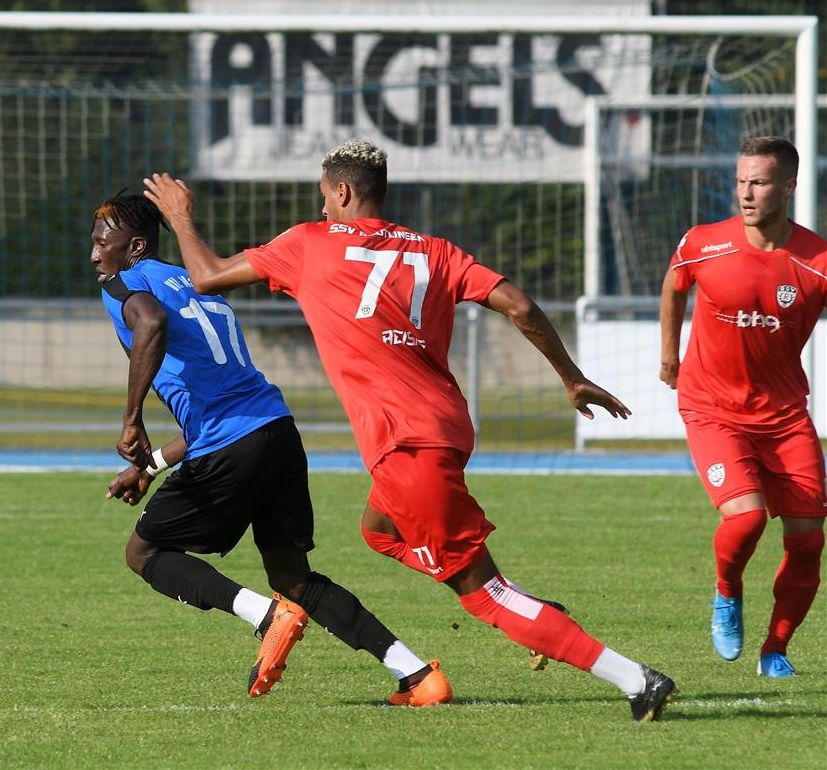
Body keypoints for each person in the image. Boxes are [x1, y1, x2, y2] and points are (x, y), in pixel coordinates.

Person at [143, 139, 677, 721]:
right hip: (445, 429)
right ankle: (521, 604)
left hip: (405, 445)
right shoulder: (437, 251)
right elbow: (520, 306)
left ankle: (634, 677)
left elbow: (207, 275)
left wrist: (179, 216)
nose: (322, 207)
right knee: (377, 530)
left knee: (483, 597)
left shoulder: (309, 245)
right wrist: (572, 380)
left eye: (324, 196)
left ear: (342, 191)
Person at [92, 191, 451, 705]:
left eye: (103, 241)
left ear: (135, 247)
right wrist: (150, 465)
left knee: (144, 551)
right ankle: (418, 675)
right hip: (276, 433)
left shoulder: (122, 283)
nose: (94, 254)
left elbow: (149, 323)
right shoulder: (196, 284)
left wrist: (131, 421)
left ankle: (265, 616)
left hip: (230, 447)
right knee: (294, 578)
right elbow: (213, 409)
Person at [659, 135, 824, 678]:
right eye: (740, 181)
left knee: (808, 539)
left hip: (783, 416)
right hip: (712, 408)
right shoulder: (704, 243)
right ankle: (726, 593)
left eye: (758, 182)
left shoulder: (818, 262)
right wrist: (669, 357)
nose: (746, 193)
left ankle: (775, 650)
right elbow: (674, 284)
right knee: (748, 517)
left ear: (789, 186)